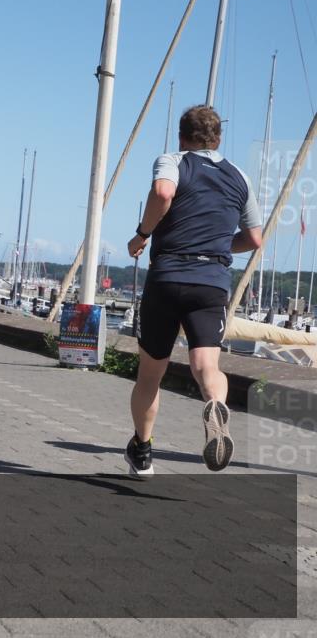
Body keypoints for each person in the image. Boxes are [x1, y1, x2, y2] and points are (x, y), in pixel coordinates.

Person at [125, 105, 262, 478]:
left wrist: (143, 234)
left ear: (182, 135)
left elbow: (163, 192)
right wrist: (218, 245)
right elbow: (253, 238)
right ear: (218, 138)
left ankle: (143, 450)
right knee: (207, 367)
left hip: (169, 274)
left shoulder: (174, 160)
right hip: (211, 281)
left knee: (151, 373)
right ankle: (216, 404)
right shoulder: (240, 177)